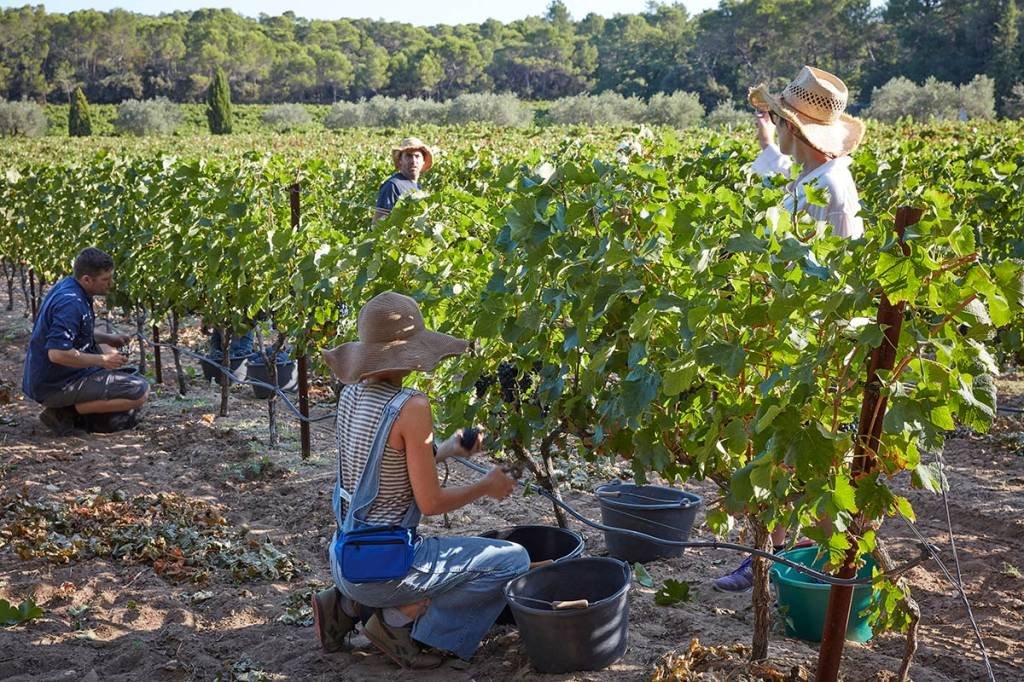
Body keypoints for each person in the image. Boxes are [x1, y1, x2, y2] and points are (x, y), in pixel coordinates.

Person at [311, 291, 528, 669]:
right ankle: (398, 625)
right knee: (512, 560)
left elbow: (380, 465)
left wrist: (446, 449)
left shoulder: (350, 394)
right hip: (385, 567)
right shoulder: (412, 406)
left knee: (466, 556)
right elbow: (431, 503)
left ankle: (343, 607)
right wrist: (486, 486)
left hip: (347, 556)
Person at [713, 66, 865, 593]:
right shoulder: (813, 176)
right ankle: (767, 557)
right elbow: (785, 178)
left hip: (816, 349)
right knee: (778, 454)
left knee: (815, 467)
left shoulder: (834, 193)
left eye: (780, 120)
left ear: (797, 130)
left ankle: (819, 577)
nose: (776, 127)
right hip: (792, 341)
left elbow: (835, 280)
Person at [21, 247, 149, 435]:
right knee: (140, 391)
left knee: (107, 348)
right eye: (105, 279)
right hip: (55, 384)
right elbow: (57, 354)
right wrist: (102, 361)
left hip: (50, 376)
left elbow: (77, 333)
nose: (110, 284)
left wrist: (108, 338)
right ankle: (63, 413)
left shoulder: (70, 288)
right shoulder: (71, 303)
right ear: (87, 279)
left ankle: (74, 406)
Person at [373, 137, 433, 223]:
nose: (413, 161)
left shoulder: (418, 187)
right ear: (400, 160)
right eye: (408, 156)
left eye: (417, 156)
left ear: (423, 161)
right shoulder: (392, 186)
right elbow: (378, 224)